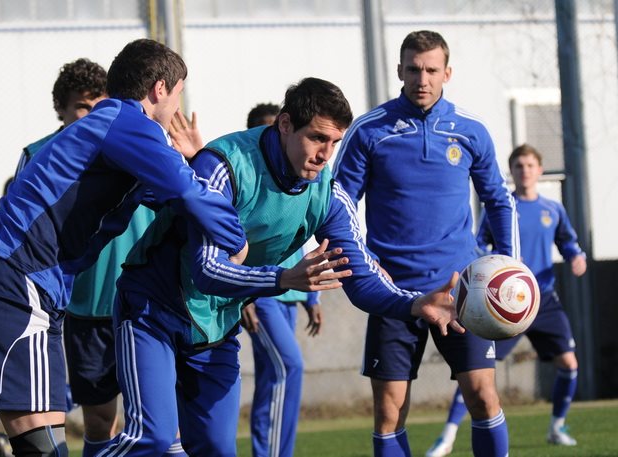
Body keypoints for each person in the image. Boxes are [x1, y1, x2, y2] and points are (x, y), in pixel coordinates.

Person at [99, 77, 464, 456]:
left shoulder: (327, 194)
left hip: (215, 325)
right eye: (317, 138)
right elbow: (207, 270)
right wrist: (283, 278)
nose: (325, 155)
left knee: (217, 449)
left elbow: (359, 277)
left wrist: (414, 302)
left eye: (335, 142)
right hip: (153, 309)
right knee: (154, 439)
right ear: (285, 124)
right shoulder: (224, 165)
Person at [0, 38, 249, 457]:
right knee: (42, 445)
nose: (177, 107)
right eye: (178, 93)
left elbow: (170, 201)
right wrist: (236, 239)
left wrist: (193, 163)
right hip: (18, 281)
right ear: (159, 89)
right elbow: (189, 194)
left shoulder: (103, 129)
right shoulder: (130, 123)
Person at [333, 30, 519, 457]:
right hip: (393, 293)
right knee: (389, 412)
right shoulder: (369, 130)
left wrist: (509, 266)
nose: (422, 79)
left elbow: (499, 199)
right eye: (414, 69)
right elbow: (338, 205)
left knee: (483, 396)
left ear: (447, 73)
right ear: (399, 70)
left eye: (432, 70)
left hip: (463, 292)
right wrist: (364, 263)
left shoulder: (470, 130)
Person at [425, 143, 586, 456]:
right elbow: (479, 246)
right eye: (519, 166)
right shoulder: (501, 209)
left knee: (569, 363)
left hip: (542, 299)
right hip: (500, 305)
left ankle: (557, 426)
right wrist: (500, 263)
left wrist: (576, 257)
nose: (525, 171)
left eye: (530, 165)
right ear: (511, 172)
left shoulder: (553, 209)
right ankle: (447, 436)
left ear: (540, 170)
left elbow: (568, 243)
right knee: (477, 372)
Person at [238, 102, 319, 457]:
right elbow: (235, 244)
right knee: (288, 366)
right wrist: (245, 295)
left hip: (290, 295)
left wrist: (312, 298)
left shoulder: (298, 181)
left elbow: (304, 239)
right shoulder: (247, 178)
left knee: (274, 376)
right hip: (262, 294)